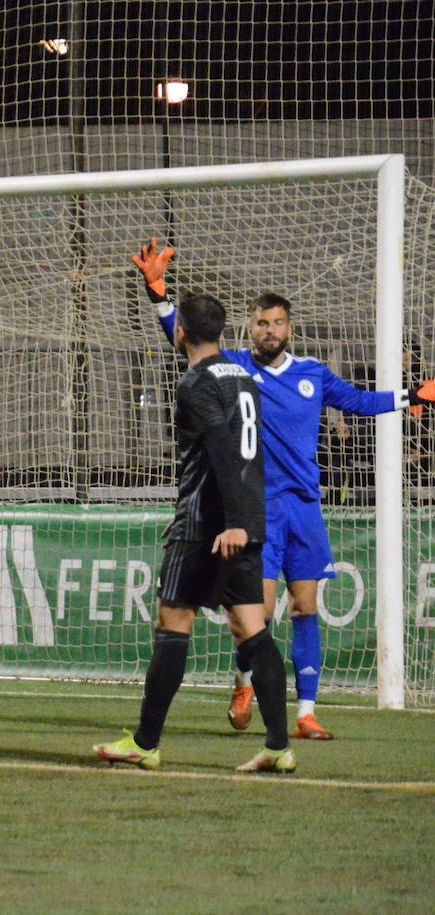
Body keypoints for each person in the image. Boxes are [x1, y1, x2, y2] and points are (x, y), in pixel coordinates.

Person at [133, 239, 435, 740]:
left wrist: (412, 396)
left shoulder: (312, 374)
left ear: (288, 329)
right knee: (258, 613)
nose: (269, 331)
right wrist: (158, 295)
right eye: (260, 323)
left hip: (305, 507)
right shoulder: (236, 368)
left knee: (306, 607)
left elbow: (360, 402)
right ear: (248, 328)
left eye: (276, 323)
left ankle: (306, 713)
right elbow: (184, 339)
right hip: (258, 509)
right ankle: (245, 681)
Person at [93, 292, 296, 773]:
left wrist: (230, 523)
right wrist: (247, 523)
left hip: (208, 526)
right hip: (248, 520)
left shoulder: (193, 384)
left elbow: (224, 450)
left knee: (172, 622)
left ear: (181, 333)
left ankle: (144, 743)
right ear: (224, 333)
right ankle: (278, 746)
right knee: (252, 628)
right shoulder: (243, 376)